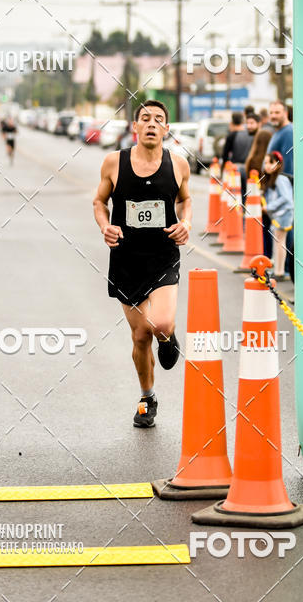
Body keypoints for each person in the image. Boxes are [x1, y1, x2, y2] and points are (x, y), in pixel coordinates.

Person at [93, 100, 192, 429]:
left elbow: (186, 199)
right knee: (139, 336)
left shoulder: (178, 165)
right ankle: (147, 397)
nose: (152, 123)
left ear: (166, 129)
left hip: (163, 255)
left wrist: (186, 223)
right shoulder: (113, 163)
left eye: (159, 120)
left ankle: (169, 336)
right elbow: (98, 201)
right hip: (126, 258)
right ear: (135, 127)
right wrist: (105, 226)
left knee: (161, 324)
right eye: (145, 118)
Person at [260, 150, 293, 279]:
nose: (267, 166)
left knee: (279, 243)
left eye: (271, 162)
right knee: (278, 242)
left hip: (284, 214)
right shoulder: (273, 179)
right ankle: (278, 270)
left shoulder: (280, 179)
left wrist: (269, 207)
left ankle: (279, 271)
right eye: (266, 163)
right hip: (280, 215)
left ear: (279, 164)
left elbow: (287, 198)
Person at [267, 100, 293, 176]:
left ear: (286, 113)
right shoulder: (278, 131)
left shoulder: (288, 132)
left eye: (277, 112)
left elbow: (288, 163)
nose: (273, 116)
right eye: (271, 113)